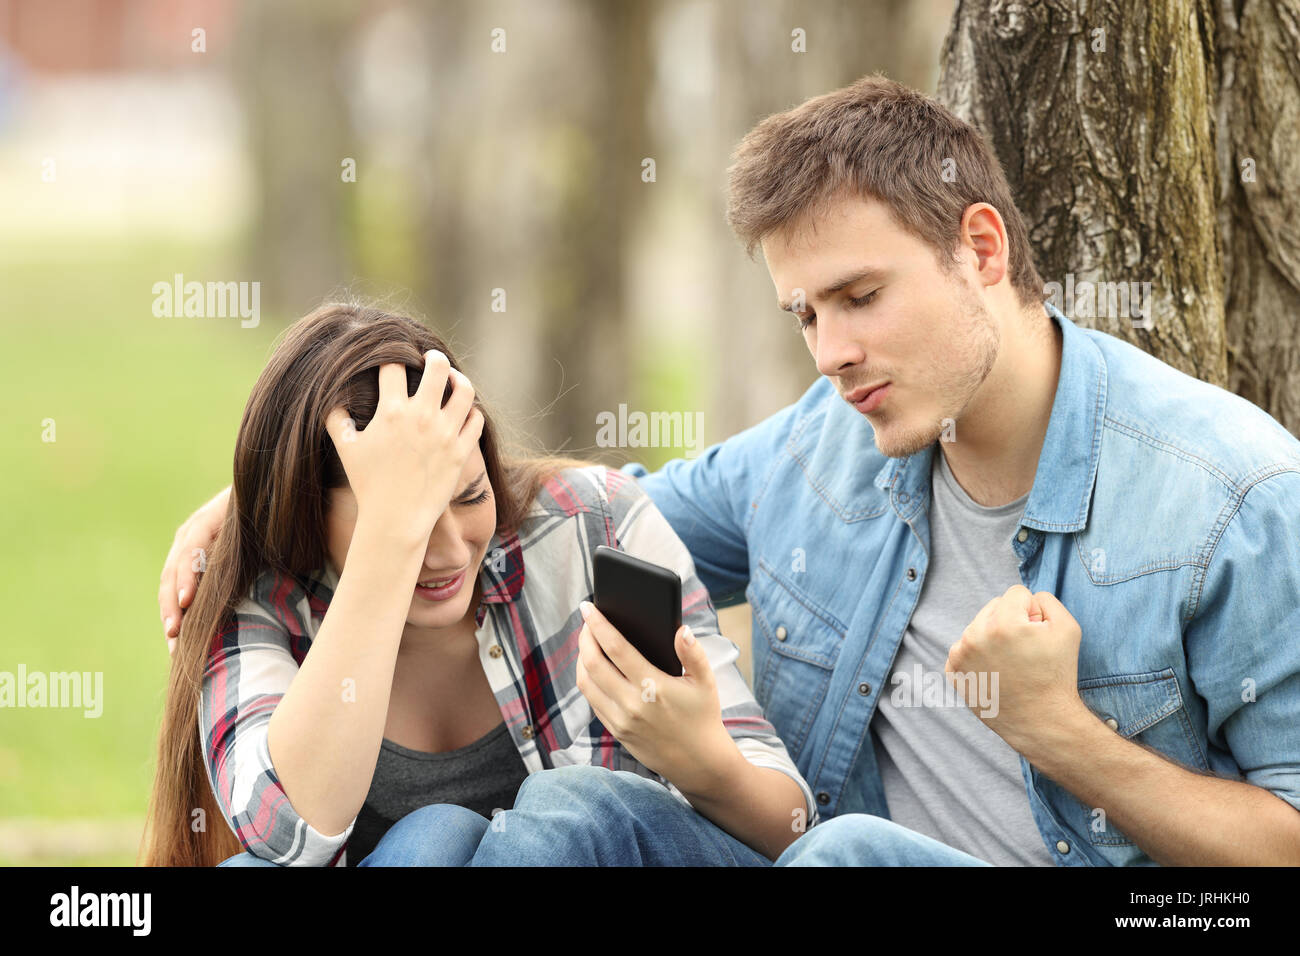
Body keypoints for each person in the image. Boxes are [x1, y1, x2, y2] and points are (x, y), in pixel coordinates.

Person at [159, 75, 1300, 868]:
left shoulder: (1228, 494)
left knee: (841, 848)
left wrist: (1064, 734)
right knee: (565, 813)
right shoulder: (822, 447)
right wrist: (289, 495)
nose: (831, 349)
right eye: (804, 313)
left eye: (860, 296)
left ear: (982, 249)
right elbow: (565, 514)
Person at [140, 302, 815, 867]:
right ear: (311, 515)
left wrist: (700, 759)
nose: (447, 550)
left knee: (562, 812)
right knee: (429, 841)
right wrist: (384, 546)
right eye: (404, 521)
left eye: (467, 497)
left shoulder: (596, 525)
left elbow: (792, 825)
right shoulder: (260, 597)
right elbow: (288, 834)